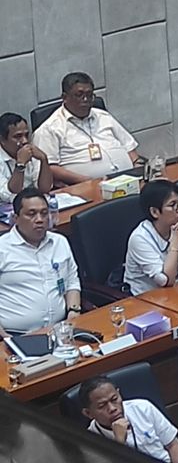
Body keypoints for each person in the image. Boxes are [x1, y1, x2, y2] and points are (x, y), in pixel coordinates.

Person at [33, 72, 141, 185]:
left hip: (128, 179)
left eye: (89, 95)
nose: (85, 99)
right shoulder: (49, 129)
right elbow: (49, 167)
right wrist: (87, 180)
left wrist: (137, 165)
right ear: (64, 97)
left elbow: (129, 147)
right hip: (86, 186)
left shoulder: (103, 116)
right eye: (79, 95)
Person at [0, 187, 80, 337]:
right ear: (15, 218)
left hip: (62, 328)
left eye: (44, 213)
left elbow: (71, 281)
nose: (39, 219)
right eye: (31, 214)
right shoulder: (2, 249)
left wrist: (74, 312)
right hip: (15, 335)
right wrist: (5, 338)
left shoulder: (59, 242)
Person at [124, 180, 178, 295]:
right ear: (155, 212)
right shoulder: (140, 238)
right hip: (149, 298)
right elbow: (166, 281)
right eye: (172, 205)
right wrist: (175, 242)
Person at [80, 376, 178, 463]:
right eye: (102, 406)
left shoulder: (142, 407)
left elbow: (173, 445)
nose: (112, 408)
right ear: (88, 413)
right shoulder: (90, 442)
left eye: (114, 399)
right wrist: (119, 442)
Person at [0, 113, 53, 203]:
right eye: (18, 136)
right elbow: (8, 196)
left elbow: (45, 189)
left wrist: (44, 159)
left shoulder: (31, 151)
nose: (25, 141)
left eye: (26, 135)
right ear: (2, 140)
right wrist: (20, 164)